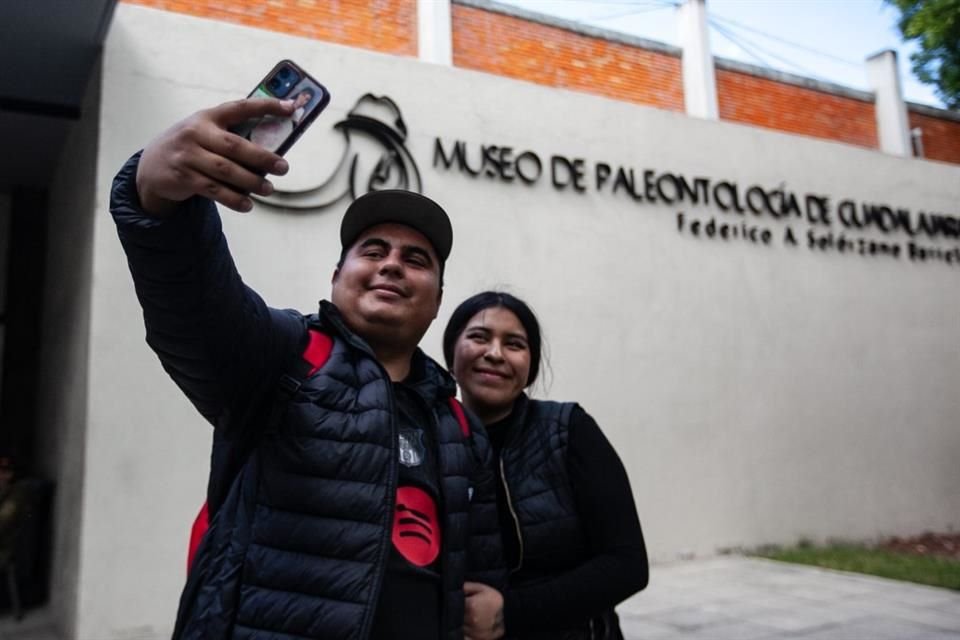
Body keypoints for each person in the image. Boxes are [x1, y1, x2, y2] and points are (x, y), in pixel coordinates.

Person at [110, 97, 503, 640]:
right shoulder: (284, 355)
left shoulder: (459, 426)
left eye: (416, 260)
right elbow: (194, 302)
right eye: (373, 250)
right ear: (337, 276)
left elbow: (479, 554)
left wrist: (493, 597)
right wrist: (155, 199)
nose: (392, 263)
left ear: (437, 301)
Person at [443, 292, 649, 640]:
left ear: (530, 367)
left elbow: (627, 565)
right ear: (451, 354)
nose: (494, 353)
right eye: (479, 337)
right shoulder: (430, 439)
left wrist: (510, 613)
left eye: (514, 344)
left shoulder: (568, 430)